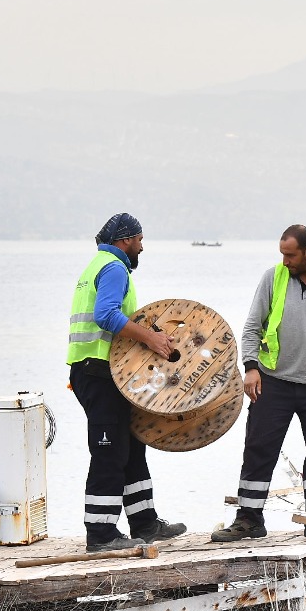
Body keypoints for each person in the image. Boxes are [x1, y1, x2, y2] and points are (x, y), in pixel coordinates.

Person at [210, 224, 306, 542]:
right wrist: (251, 367)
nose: (285, 260)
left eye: (291, 255)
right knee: (259, 450)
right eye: (282, 254)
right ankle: (249, 520)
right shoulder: (273, 278)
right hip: (274, 383)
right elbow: (252, 325)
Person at [67, 212, 186, 553]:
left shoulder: (99, 265)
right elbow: (105, 315)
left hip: (99, 372)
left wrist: (149, 334)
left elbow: (117, 323)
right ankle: (101, 534)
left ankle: (145, 523)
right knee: (110, 451)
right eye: (139, 240)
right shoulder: (114, 268)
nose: (142, 247)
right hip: (98, 373)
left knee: (132, 445)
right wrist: (150, 339)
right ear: (124, 240)